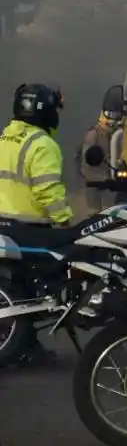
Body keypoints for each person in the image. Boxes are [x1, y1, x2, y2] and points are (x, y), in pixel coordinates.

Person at [0, 83, 72, 365]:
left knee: (21, 287)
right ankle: (27, 344)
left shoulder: (4, 139)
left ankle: (26, 345)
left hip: (4, 226)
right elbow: (48, 191)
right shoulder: (43, 145)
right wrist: (65, 221)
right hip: (29, 229)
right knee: (43, 286)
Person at [77, 105, 122, 210]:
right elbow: (87, 159)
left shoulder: (119, 133)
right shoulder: (94, 134)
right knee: (94, 211)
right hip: (95, 180)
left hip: (112, 180)